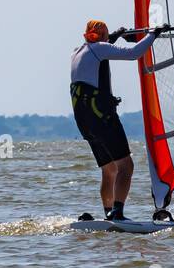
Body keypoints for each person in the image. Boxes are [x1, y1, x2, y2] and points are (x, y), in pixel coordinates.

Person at [70, 19, 165, 221]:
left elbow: (102, 48)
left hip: (85, 123)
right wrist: (153, 34)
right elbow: (133, 54)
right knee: (126, 166)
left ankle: (108, 213)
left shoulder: (78, 51)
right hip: (103, 118)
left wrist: (116, 36)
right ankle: (118, 212)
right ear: (102, 37)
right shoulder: (101, 49)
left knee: (109, 169)